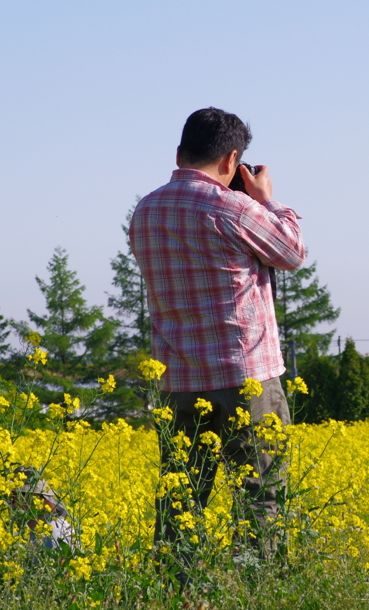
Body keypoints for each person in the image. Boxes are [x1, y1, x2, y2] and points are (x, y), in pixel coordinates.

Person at [129, 107, 306, 558]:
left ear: (179, 153)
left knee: (180, 496)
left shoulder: (145, 212)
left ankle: (176, 588)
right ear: (232, 162)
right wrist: (266, 198)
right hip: (244, 375)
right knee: (261, 494)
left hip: (178, 381)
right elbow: (291, 252)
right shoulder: (233, 207)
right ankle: (259, 587)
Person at [10, 466, 76, 549]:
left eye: (13, 497)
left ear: (34, 498)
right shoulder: (43, 528)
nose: (11, 505)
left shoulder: (51, 533)